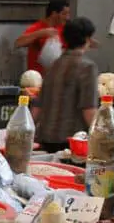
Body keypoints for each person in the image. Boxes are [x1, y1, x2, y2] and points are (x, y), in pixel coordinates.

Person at [31, 17, 100, 153]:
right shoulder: (87, 67)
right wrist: (102, 140)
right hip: (72, 145)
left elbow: (37, 107)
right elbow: (89, 110)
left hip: (45, 141)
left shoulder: (52, 66)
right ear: (87, 39)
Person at [16, 0, 71, 75]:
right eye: (64, 14)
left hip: (57, 78)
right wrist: (41, 33)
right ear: (54, 14)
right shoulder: (38, 27)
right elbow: (18, 43)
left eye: (68, 14)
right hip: (37, 79)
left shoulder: (65, 29)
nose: (67, 17)